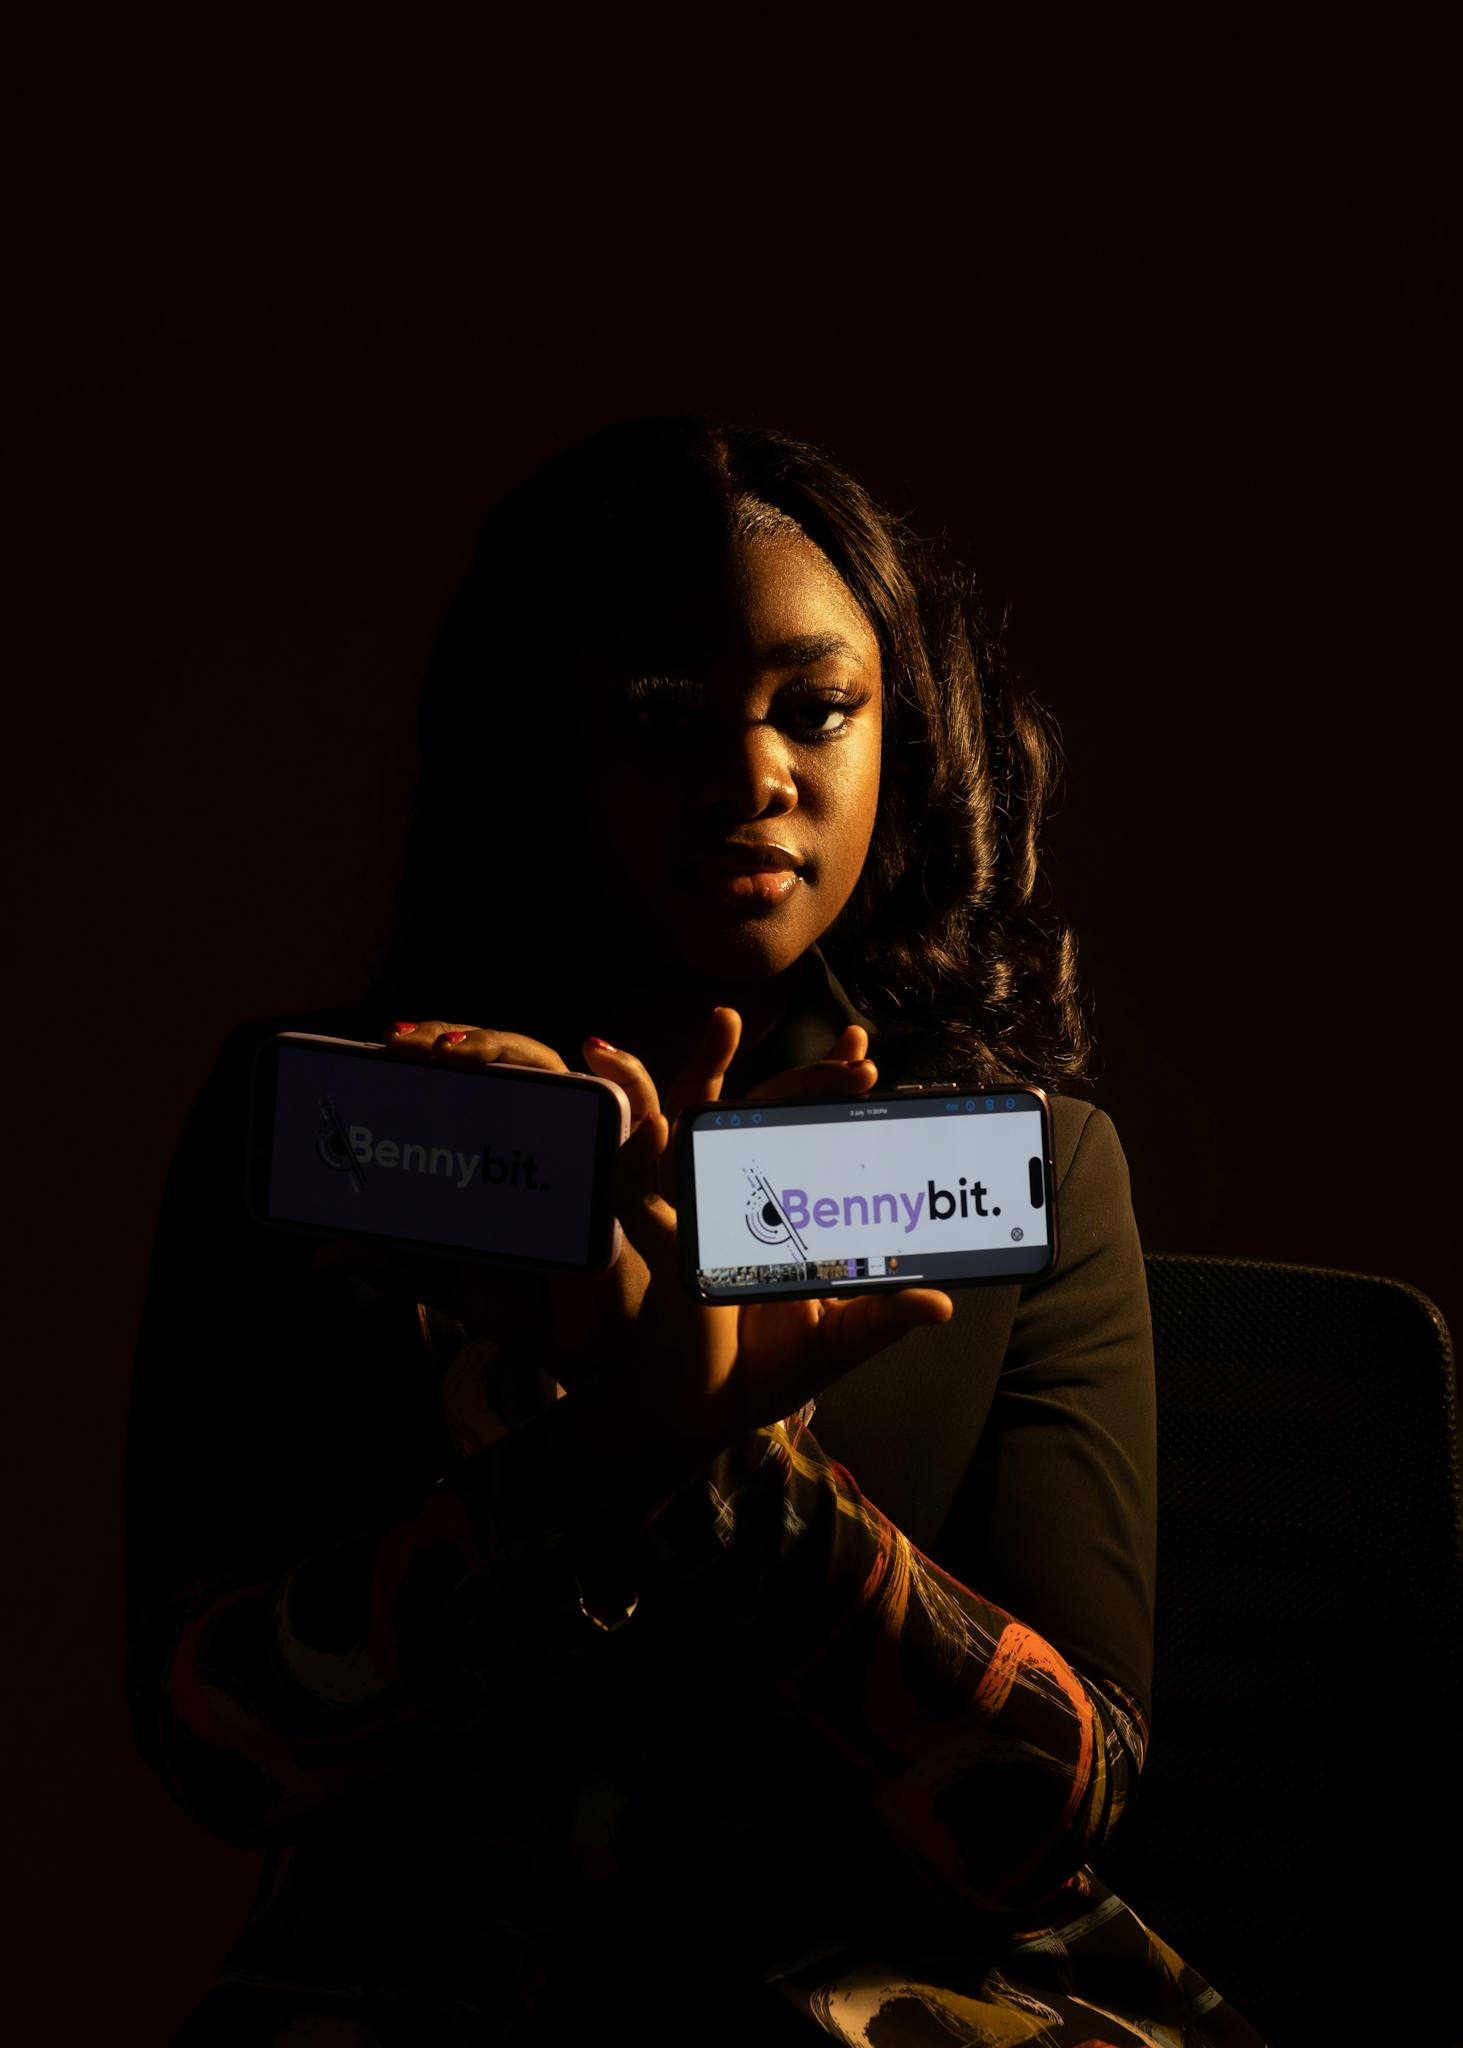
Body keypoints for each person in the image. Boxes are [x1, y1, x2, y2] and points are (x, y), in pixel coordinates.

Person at [126, 417, 1263, 2045]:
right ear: (546, 736)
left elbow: (1051, 1816)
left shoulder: (1020, 1170)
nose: (751, 779)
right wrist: (583, 1472)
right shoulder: (339, 1129)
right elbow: (216, 1741)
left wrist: (718, 1469)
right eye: (662, 712)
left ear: (904, 737)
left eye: (817, 708)